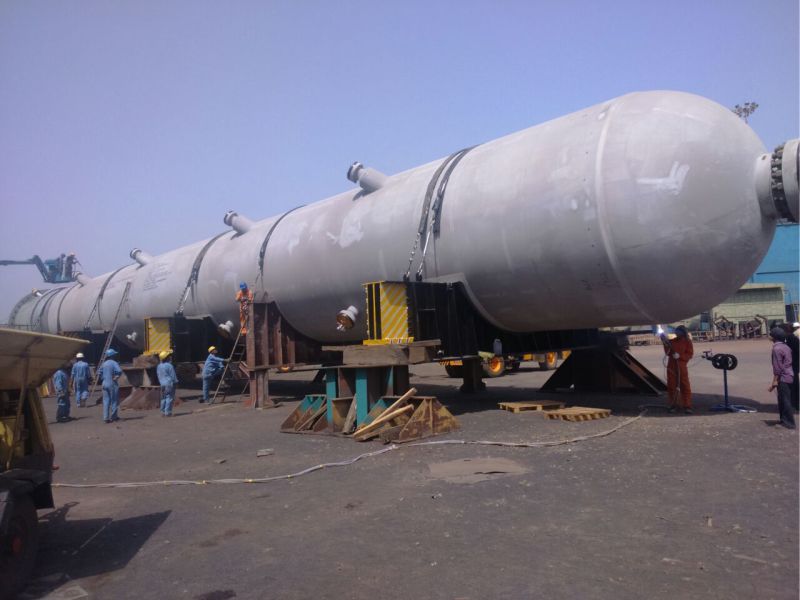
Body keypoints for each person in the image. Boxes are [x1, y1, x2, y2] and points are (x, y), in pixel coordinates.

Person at [661, 325, 694, 414]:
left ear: (682, 332)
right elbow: (668, 352)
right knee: (672, 386)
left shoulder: (687, 342)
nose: (676, 333)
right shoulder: (672, 341)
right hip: (671, 366)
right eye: (676, 331)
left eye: (678, 331)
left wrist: (680, 356)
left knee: (684, 386)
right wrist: (664, 342)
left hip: (681, 366)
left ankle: (687, 405)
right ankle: (674, 405)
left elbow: (690, 354)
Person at [768, 327, 796, 429]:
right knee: (784, 399)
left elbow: (778, 368)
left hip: (783, 377)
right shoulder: (785, 346)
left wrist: (774, 381)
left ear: (774, 337)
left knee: (784, 400)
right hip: (789, 375)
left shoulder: (776, 349)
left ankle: (789, 423)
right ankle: (784, 420)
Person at [779, 323, 799, 411]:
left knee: (792, 385)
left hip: (792, 365)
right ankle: (794, 404)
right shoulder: (789, 338)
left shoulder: (791, 338)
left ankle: (794, 404)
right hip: (792, 365)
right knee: (793, 385)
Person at [100, 348, 123, 423]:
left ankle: (106, 418)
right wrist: (116, 377)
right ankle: (114, 417)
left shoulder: (104, 363)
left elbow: (99, 372)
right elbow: (119, 371)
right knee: (114, 400)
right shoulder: (114, 363)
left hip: (104, 383)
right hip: (112, 383)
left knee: (106, 401)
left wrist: (104, 378)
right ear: (112, 355)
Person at [156, 350, 178, 417]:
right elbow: (173, 376)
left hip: (162, 384)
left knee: (163, 398)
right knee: (169, 398)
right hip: (169, 384)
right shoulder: (169, 366)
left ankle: (162, 412)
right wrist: (176, 382)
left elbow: (158, 375)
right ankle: (168, 412)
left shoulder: (159, 366)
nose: (170, 357)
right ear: (166, 358)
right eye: (169, 356)